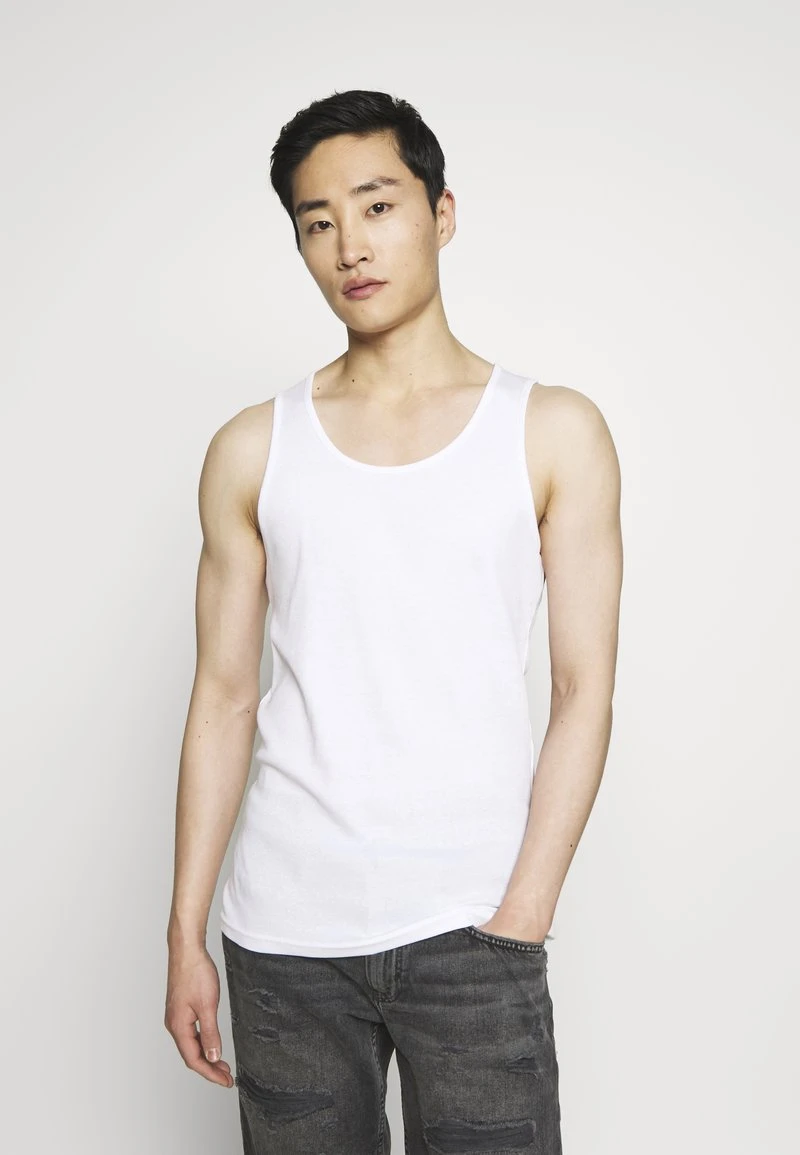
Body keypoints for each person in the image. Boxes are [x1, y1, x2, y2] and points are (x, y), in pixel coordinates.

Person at [164, 89, 622, 1154]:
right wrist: (186, 929)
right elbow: (223, 696)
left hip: (475, 926)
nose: (349, 246)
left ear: (440, 213)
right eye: (317, 222)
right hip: (282, 937)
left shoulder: (551, 430)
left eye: (376, 206)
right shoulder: (252, 448)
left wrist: (523, 912)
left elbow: (582, 690)